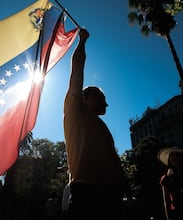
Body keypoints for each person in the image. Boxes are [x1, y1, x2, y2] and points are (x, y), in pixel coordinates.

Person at [63, 28, 128, 220]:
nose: (106, 103)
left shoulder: (101, 127)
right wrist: (82, 41)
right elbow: (77, 70)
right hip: (87, 193)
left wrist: (126, 189)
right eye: (101, 97)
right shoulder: (76, 109)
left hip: (113, 195)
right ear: (88, 96)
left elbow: (113, 158)